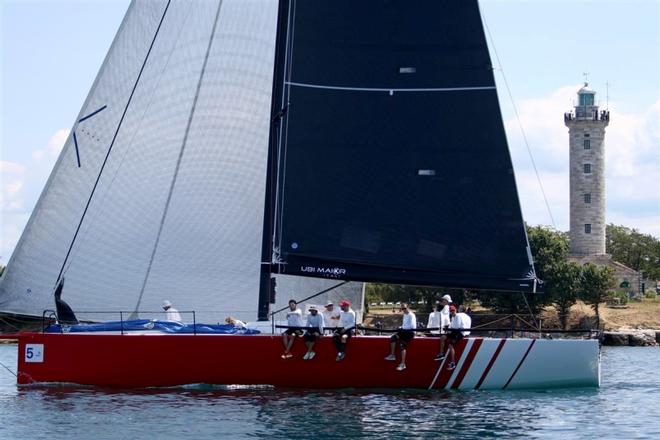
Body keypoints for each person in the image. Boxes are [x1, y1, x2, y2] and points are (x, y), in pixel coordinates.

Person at [384, 303, 417, 371]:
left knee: (402, 345)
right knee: (393, 338)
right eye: (402, 309)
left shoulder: (412, 315)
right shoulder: (405, 315)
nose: (403, 310)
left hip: (410, 333)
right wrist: (401, 327)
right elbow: (404, 325)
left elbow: (412, 327)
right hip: (404, 331)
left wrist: (402, 328)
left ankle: (403, 364)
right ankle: (393, 355)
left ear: (408, 307)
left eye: (404, 308)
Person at [444, 305, 472, 370]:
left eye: (458, 308)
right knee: (447, 337)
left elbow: (455, 327)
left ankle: (453, 362)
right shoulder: (468, 317)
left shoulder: (458, 315)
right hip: (466, 333)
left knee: (450, 344)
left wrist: (448, 330)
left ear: (460, 310)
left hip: (460, 333)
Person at [434, 294, 453, 361]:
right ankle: (442, 353)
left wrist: (439, 304)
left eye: (447, 301)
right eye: (447, 301)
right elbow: (436, 312)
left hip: (447, 326)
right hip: (442, 326)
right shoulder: (442, 306)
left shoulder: (447, 307)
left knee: (443, 338)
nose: (448, 302)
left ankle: (442, 353)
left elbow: (441, 311)